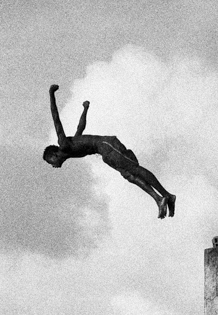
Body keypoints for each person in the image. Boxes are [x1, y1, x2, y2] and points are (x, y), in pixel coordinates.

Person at [41, 84, 177, 218]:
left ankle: (167, 195)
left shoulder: (63, 144)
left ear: (54, 154)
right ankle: (159, 199)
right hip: (104, 153)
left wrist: (51, 93)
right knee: (130, 176)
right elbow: (80, 128)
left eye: (50, 161)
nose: (53, 165)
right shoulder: (70, 149)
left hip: (106, 145)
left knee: (135, 169)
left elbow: (56, 119)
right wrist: (85, 109)